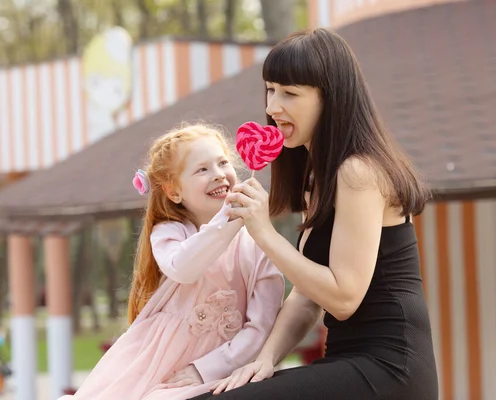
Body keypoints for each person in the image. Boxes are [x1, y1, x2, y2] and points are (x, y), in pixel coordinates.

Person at [188, 28, 438, 400]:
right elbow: (306, 297)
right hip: (347, 361)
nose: (273, 106)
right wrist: (265, 359)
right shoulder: (317, 176)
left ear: (330, 99)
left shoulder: (358, 173)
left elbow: (343, 298)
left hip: (389, 369)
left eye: (290, 93)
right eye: (270, 89)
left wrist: (264, 232)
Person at [58, 122, 284, 400]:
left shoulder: (259, 245)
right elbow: (184, 268)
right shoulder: (169, 233)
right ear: (174, 192)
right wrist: (228, 218)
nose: (217, 174)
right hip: (152, 363)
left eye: (223, 163)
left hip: (214, 370)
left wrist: (204, 370)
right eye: (202, 169)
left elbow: (261, 326)